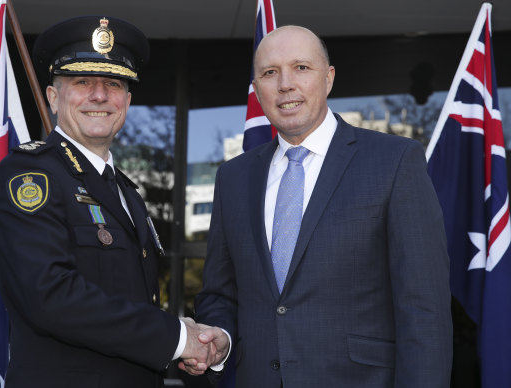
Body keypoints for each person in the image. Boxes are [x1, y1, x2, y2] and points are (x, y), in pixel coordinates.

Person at [190, 25, 453, 387]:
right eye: (270, 73)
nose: (285, 84)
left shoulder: (393, 162)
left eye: (301, 68)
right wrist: (221, 336)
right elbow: (220, 293)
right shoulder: (234, 177)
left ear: (328, 78)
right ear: (257, 89)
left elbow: (424, 310)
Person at [0, 16, 225, 388]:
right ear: (53, 97)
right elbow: (51, 295)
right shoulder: (29, 176)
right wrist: (178, 338)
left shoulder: (127, 191)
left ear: (126, 102)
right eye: (82, 82)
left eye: (113, 84)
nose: (99, 95)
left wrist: (188, 345)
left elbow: (130, 301)